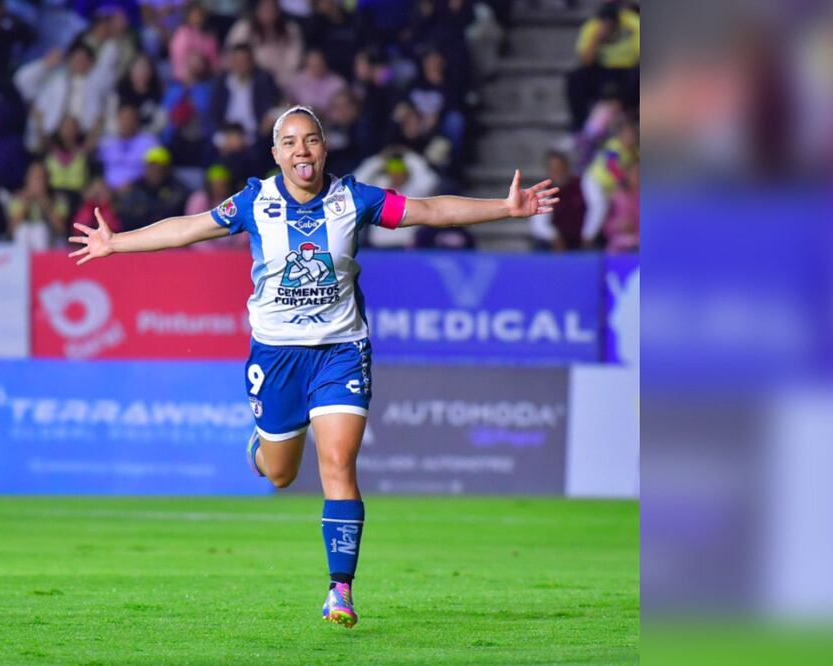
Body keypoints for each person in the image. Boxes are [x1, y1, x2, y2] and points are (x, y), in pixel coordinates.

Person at [68, 106, 559, 628]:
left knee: (338, 465)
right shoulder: (255, 201)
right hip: (277, 355)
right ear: (275, 154)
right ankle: (263, 448)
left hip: (341, 350)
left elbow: (429, 209)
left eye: (311, 140)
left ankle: (339, 590)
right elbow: (190, 228)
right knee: (280, 474)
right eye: (290, 142)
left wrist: (505, 209)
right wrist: (115, 242)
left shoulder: (354, 198)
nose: (302, 150)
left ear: (324, 148)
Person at [566, 1, 640, 130]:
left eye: (612, 23)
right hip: (602, 72)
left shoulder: (633, 24)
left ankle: (630, 116)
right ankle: (579, 127)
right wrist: (597, 39)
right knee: (575, 78)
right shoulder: (592, 27)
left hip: (628, 71)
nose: (610, 25)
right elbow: (586, 60)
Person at [582, 117, 638, 246]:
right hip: (594, 180)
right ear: (620, 135)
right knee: (598, 207)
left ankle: (598, 239)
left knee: (609, 212)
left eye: (633, 135)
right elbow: (611, 165)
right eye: (627, 134)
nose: (630, 138)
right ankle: (587, 239)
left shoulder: (633, 150)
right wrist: (622, 180)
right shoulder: (614, 145)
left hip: (608, 187)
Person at [113, 146, 191, 230]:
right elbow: (126, 218)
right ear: (146, 168)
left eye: (160, 168)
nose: (155, 171)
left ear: (167, 169)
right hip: (138, 235)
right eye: (152, 167)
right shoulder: (134, 188)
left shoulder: (179, 191)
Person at [529, 150, 587, 251]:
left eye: (560, 168)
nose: (557, 172)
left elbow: (596, 208)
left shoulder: (583, 185)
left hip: (581, 238)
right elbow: (539, 225)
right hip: (555, 242)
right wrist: (554, 237)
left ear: (567, 168)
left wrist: (588, 234)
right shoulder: (544, 191)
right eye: (553, 169)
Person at [97, 104, 161, 191]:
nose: (126, 122)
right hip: (107, 190)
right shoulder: (108, 143)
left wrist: (135, 184)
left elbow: (157, 171)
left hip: (137, 190)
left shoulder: (149, 142)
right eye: (123, 118)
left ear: (137, 121)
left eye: (130, 119)